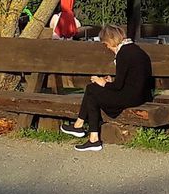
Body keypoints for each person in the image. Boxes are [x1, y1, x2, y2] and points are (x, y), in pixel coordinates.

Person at [63, 24, 153, 152]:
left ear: (111, 39)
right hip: (141, 95)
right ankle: (85, 131)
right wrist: (109, 81)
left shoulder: (123, 54)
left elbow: (118, 86)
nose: (107, 47)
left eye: (105, 43)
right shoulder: (136, 50)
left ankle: (86, 132)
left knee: (92, 89)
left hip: (130, 98)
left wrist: (103, 83)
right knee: (92, 90)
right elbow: (130, 80)